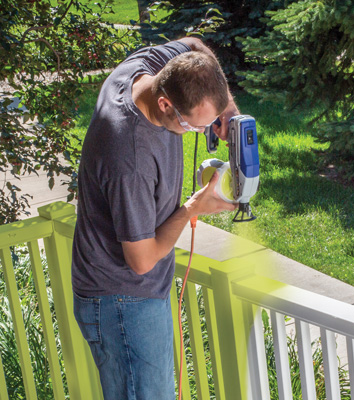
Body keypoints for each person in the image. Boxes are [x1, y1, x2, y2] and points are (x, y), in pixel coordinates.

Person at [71, 37, 239, 400]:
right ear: (165, 104)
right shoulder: (128, 160)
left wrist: (227, 111)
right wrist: (194, 208)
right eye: (196, 127)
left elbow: (194, 43)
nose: (201, 132)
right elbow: (143, 259)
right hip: (121, 302)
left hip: (134, 297)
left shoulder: (141, 74)